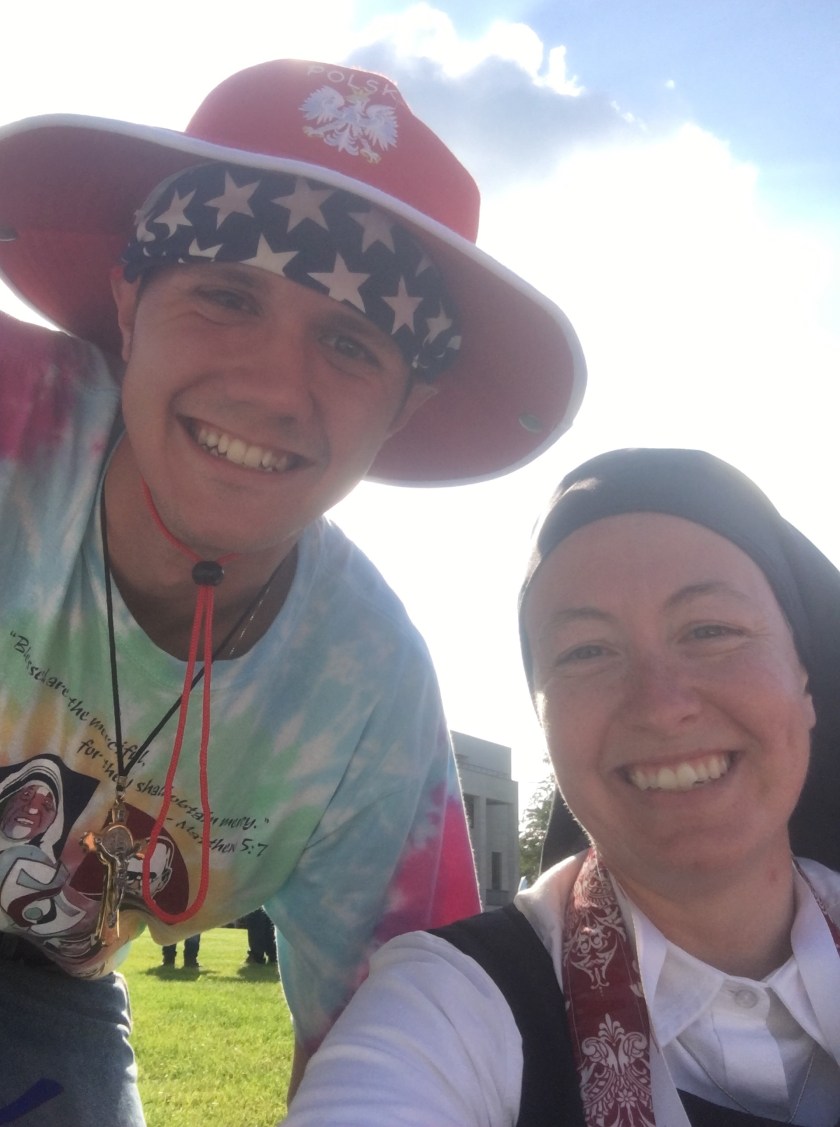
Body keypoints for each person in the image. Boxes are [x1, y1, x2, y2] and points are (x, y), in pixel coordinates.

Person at [0, 57, 585, 1125]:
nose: (274, 388)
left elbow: (402, 1033)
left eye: (351, 343)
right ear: (129, 300)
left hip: (48, 984)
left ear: (403, 407)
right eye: (226, 296)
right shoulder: (10, 422)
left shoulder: (368, 695)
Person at [284, 447, 840, 1127]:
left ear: (805, 679)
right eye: (586, 651)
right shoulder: (450, 1004)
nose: (660, 704)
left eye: (710, 630)